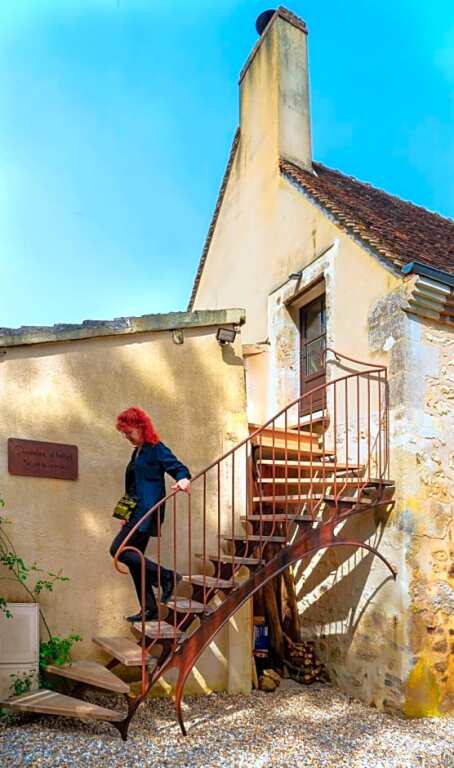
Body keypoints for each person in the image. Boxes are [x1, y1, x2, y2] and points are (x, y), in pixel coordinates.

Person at [110, 406, 191, 622]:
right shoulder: (137, 452)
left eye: (129, 432)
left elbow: (178, 467)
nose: (127, 437)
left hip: (147, 511)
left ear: (141, 427)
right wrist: (125, 513)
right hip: (136, 512)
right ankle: (149, 608)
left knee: (118, 550)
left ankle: (167, 577)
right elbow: (132, 487)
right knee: (134, 560)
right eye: (124, 433)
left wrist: (183, 479)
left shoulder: (156, 448)